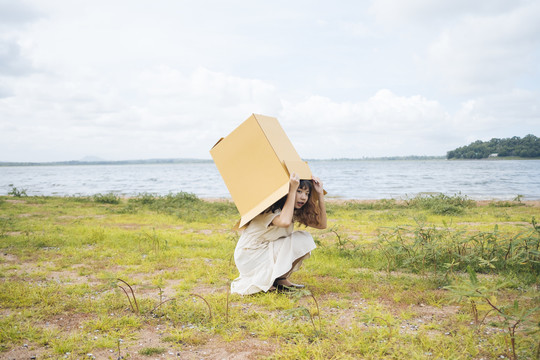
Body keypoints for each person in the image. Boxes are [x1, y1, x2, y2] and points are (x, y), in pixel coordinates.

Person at [230, 173, 327, 295]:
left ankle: (280, 280)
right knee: (300, 240)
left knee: (303, 239)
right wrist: (292, 190)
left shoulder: (291, 212)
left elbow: (322, 225)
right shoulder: (267, 211)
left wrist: (319, 194)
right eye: (299, 191)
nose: (303, 197)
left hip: (266, 250)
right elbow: (285, 222)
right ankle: (267, 281)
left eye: (307, 194)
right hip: (250, 255)